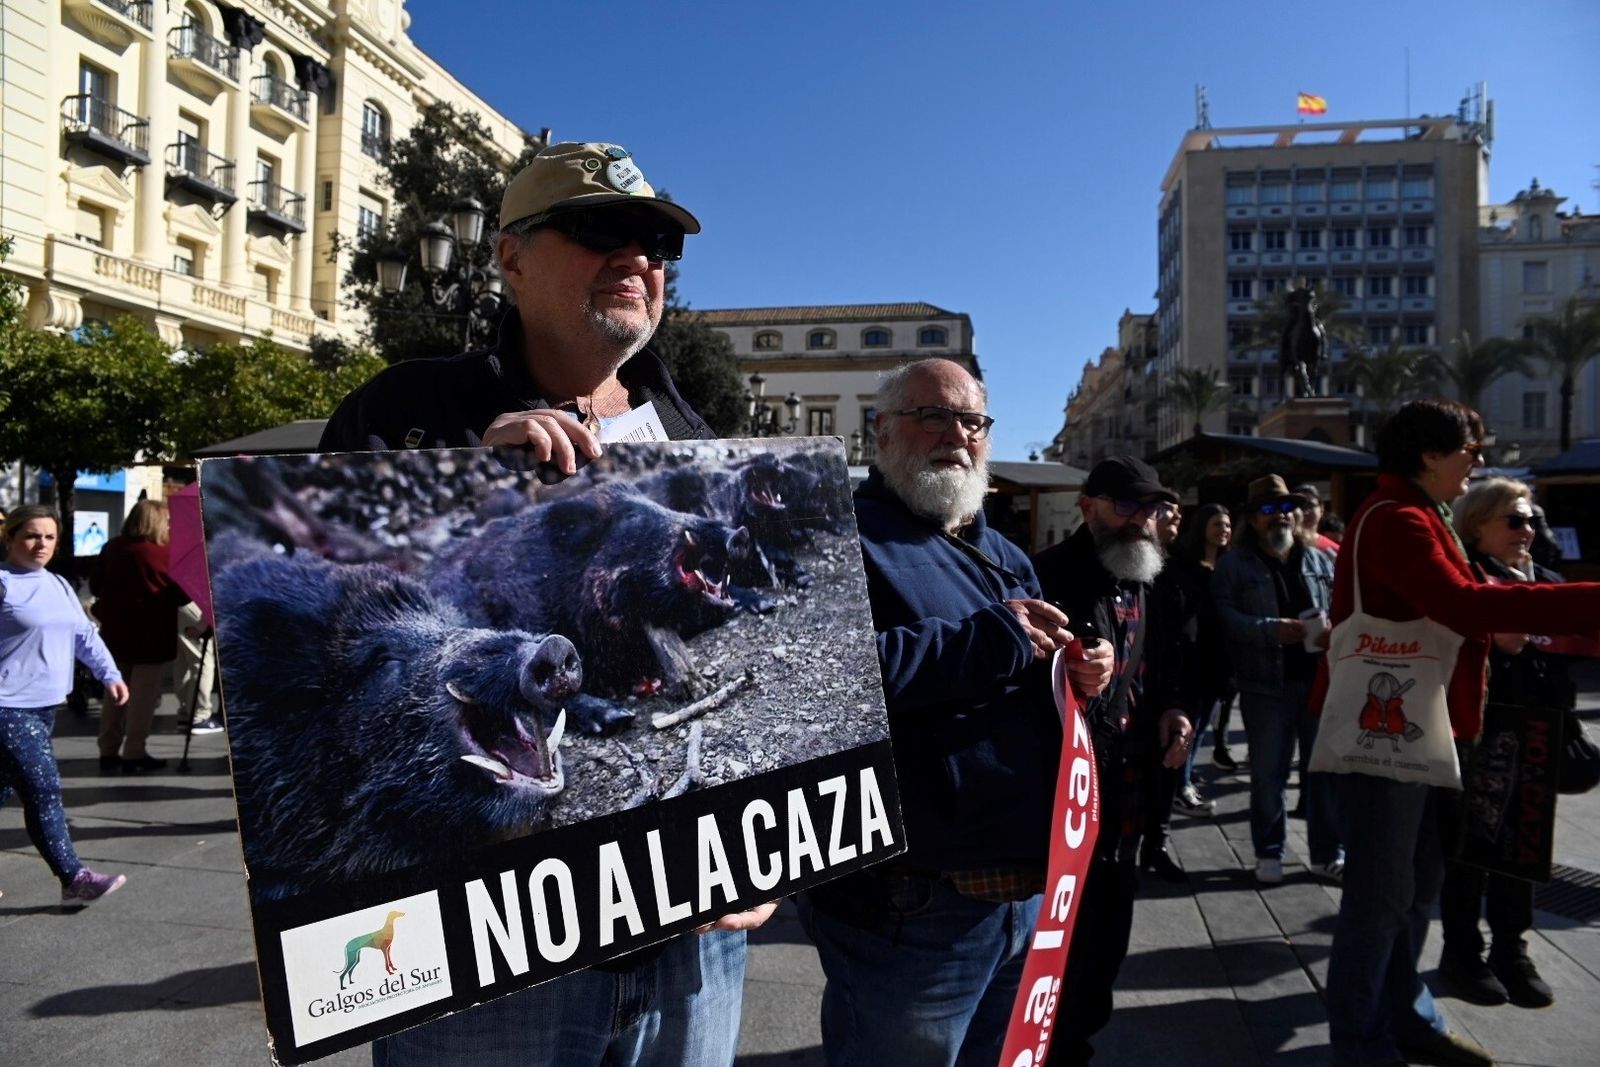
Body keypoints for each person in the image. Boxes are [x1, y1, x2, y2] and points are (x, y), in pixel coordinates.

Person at [320, 142, 775, 1067]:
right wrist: (462, 473)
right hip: (485, 961)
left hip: (692, 940)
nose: (638, 258)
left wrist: (767, 860)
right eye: (602, 228)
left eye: (655, 241)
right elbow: (333, 627)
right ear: (510, 257)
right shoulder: (407, 411)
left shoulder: (693, 436)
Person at [796, 358, 1113, 1066]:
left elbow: (1032, 670)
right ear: (883, 432)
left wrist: (1082, 672)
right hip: (912, 909)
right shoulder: (838, 536)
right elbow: (822, 683)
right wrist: (990, 638)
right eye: (932, 415)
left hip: (1021, 900)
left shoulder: (1003, 552)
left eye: (972, 420)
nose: (956, 434)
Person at [1318, 400, 1600, 1067]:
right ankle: (1360, 1044)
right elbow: (1465, 605)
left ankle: (1407, 1017)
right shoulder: (1399, 520)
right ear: (1428, 455)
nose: (1478, 461)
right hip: (1387, 738)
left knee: (1416, 888)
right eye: (1470, 449)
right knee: (1381, 898)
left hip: (1423, 732)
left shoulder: (1421, 515)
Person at [1032, 455, 1192, 1065]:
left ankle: (1079, 1043)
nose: (1140, 521)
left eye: (1149, 508)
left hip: (1128, 791)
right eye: (1126, 506)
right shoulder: (1050, 574)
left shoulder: (1150, 578)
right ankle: (1053, 1047)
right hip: (1068, 794)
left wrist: (1174, 710)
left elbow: (1160, 672)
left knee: (1106, 942)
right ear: (1088, 507)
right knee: (1059, 943)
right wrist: (1065, 671)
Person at [1436, 478, 1562, 1008]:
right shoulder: (1466, 583)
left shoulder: (1550, 581)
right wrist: (1492, 640)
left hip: (1536, 737)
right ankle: (1462, 952)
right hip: (1480, 738)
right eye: (1514, 520)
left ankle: (1512, 950)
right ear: (1478, 525)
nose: (1527, 530)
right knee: (1470, 846)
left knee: (1524, 847)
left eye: (1531, 519)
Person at [1212, 476, 1341, 886]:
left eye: (1286, 509)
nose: (1280, 517)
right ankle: (1269, 851)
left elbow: (1342, 605)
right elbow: (1223, 616)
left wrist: (1334, 629)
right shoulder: (1235, 563)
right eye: (1269, 510)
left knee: (1323, 773)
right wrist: (1269, 628)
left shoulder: (1320, 558)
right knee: (1269, 774)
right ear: (1252, 519)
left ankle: (1327, 854)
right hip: (1265, 685)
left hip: (1319, 681)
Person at [0, 506, 131, 906]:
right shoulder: (3, 582)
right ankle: (74, 877)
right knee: (43, 789)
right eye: (32, 536)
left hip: (43, 707)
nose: (41, 544)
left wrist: (110, 674)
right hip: (7, 706)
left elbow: (84, 636)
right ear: (10, 538)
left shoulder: (58, 584)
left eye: (50, 537)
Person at [90, 500, 190, 773]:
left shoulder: (113, 547)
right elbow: (182, 596)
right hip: (151, 634)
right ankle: (134, 751)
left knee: (114, 694)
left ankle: (107, 751)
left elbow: (95, 585)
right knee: (142, 699)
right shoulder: (165, 554)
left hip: (115, 632)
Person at [1164, 503, 1235, 810]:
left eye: (1228, 526)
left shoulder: (1226, 567)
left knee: (1203, 725)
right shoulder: (1186, 568)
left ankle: (1185, 780)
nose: (1224, 531)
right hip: (1193, 661)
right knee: (1188, 727)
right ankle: (1181, 785)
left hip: (1218, 662)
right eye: (1217, 525)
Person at [175, 602, 221, 734]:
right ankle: (199, 717)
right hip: (192, 606)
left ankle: (186, 713)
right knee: (201, 662)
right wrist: (205, 621)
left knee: (182, 662)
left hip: (176, 605)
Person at [1293, 483, 1341, 554]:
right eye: (1300, 506)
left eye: (1310, 505)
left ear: (1321, 509)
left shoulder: (1334, 552)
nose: (1305, 512)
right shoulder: (1279, 548)